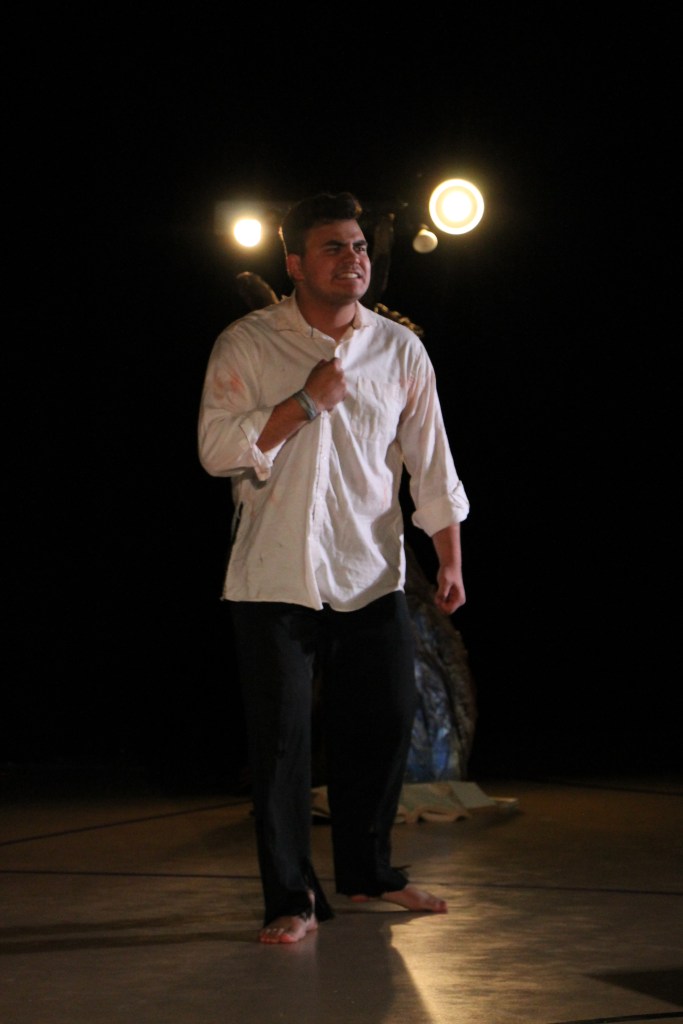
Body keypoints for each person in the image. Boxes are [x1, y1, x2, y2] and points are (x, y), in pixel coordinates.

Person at [197, 192, 469, 944]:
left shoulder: (399, 349)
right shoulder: (248, 343)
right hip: (274, 574)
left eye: (358, 247)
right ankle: (291, 898)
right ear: (294, 263)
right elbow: (216, 449)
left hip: (368, 571)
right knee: (282, 743)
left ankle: (367, 872)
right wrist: (303, 404)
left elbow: (431, 461)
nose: (353, 259)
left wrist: (449, 557)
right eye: (333, 247)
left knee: (384, 721)